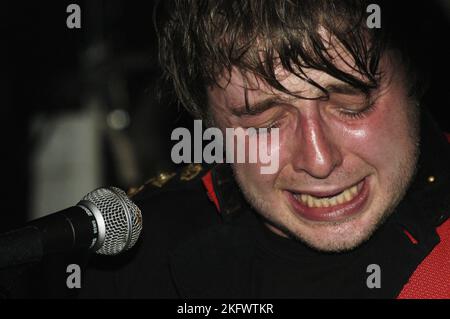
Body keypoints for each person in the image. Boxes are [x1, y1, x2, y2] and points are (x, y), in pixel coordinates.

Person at [22, 0, 450, 299]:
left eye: (351, 105)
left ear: (416, 79)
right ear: (207, 124)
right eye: (263, 122)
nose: (318, 160)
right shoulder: (128, 265)